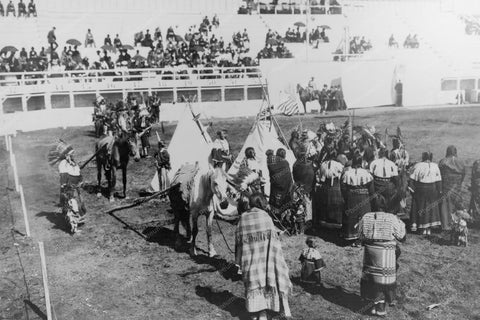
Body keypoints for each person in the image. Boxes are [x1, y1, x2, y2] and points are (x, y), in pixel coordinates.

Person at [235, 193, 292, 320]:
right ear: (261, 204)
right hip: (266, 261)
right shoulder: (266, 217)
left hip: (250, 260)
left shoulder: (243, 218)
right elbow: (273, 240)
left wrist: (239, 259)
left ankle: (257, 313)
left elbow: (238, 241)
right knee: (267, 281)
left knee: (253, 284)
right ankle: (265, 312)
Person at [358, 199, 406, 317]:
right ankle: (380, 308)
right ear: (386, 206)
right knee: (383, 280)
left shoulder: (366, 216)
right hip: (385, 252)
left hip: (370, 251)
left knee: (372, 278)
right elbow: (401, 237)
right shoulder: (391, 218)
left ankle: (372, 306)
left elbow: (360, 235)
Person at [341, 153, 375, 243]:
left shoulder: (347, 173)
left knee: (352, 216)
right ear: (361, 162)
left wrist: (346, 197)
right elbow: (371, 189)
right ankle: (363, 237)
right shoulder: (366, 173)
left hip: (351, 197)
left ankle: (352, 235)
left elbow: (343, 188)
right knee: (364, 216)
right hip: (364, 197)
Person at [409, 152, 442, 235]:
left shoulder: (418, 165)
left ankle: (420, 226)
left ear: (423, 157)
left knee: (419, 206)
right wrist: (439, 191)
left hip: (421, 190)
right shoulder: (435, 165)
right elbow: (439, 181)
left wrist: (412, 190)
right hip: (432, 189)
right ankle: (428, 229)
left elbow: (412, 179)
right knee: (430, 208)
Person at [315, 149, 344, 230]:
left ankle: (325, 220)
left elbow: (320, 175)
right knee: (335, 204)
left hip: (325, 185)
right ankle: (336, 221)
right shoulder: (339, 165)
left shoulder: (323, 164)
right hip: (335, 185)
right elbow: (341, 174)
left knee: (325, 202)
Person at [438, 145, 465, 230]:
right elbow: (463, 174)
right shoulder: (460, 162)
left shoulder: (442, 161)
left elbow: (439, 174)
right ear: (455, 152)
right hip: (457, 185)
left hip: (446, 185)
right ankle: (458, 225)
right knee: (457, 204)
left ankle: (446, 226)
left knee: (445, 205)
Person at [369, 148, 399, 213]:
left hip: (377, 185)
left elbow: (370, 176)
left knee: (377, 203)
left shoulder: (374, 162)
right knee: (388, 202)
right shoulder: (392, 164)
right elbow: (396, 178)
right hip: (388, 185)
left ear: (379, 154)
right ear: (387, 154)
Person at [267, 148, 294, 215]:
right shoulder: (285, 162)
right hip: (285, 185)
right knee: (284, 200)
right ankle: (283, 214)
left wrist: (270, 153)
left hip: (275, 185)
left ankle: (274, 214)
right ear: (284, 155)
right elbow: (288, 175)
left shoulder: (271, 161)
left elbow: (269, 156)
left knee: (275, 199)